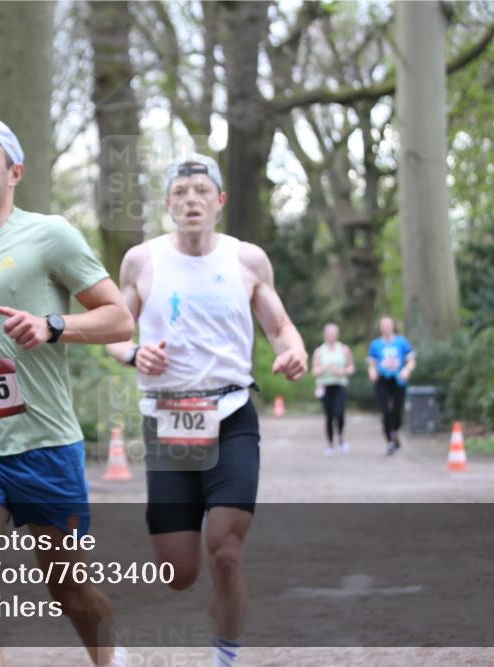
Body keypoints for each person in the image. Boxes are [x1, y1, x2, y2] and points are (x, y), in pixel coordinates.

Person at [0, 111, 134, 667]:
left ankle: (111, 658)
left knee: (70, 591)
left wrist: (52, 325)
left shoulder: (50, 235)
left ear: (14, 172)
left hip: (44, 448)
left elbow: (119, 318)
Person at [106, 154, 308, 667]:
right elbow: (113, 329)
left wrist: (294, 350)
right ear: (168, 203)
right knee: (179, 572)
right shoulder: (142, 261)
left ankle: (227, 656)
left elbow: (280, 325)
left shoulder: (247, 260)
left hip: (232, 414)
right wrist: (133, 352)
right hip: (168, 420)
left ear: (219, 202)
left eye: (201, 191)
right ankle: (214, 606)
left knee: (225, 547)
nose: (191, 200)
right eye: (180, 192)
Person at [367, 315, 416, 456]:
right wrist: (372, 372)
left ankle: (395, 431)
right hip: (382, 379)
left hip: (398, 379)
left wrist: (407, 370)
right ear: (380, 328)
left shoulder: (402, 342)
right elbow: (372, 363)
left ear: (393, 326)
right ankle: (389, 441)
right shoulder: (375, 344)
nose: (386, 328)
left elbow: (411, 360)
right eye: (383, 325)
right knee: (385, 410)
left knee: (397, 410)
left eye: (388, 325)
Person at [311, 323, 355, 455]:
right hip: (325, 385)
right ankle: (330, 444)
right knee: (329, 416)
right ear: (325, 335)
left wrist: (342, 371)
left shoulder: (344, 349)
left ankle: (341, 438)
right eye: (328, 334)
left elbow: (351, 367)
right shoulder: (319, 351)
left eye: (333, 334)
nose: (330, 337)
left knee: (339, 413)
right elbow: (314, 371)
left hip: (339, 385)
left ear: (337, 335)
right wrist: (325, 368)